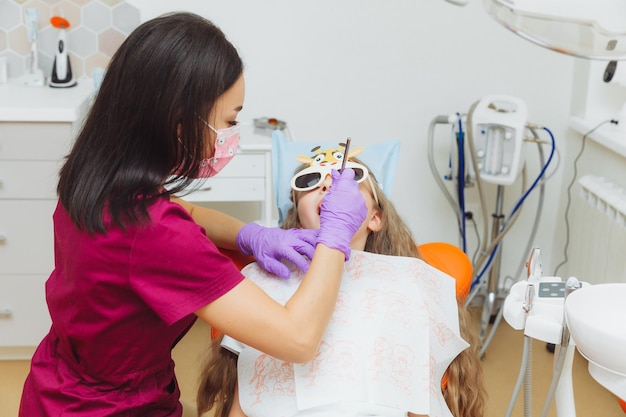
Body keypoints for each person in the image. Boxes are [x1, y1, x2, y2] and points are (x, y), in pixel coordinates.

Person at [18, 13, 368, 417]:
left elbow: (185, 212)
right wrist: (335, 233)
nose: (231, 135)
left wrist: (249, 234)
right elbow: (299, 338)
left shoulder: (95, 173)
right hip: (109, 407)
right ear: (180, 123)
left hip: (58, 384)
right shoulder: (155, 232)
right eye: (229, 121)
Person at [197, 154, 486, 417]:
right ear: (296, 219)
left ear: (375, 218)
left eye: (349, 176)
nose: (328, 185)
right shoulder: (264, 283)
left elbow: (420, 401)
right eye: (310, 181)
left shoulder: (409, 287)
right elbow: (245, 400)